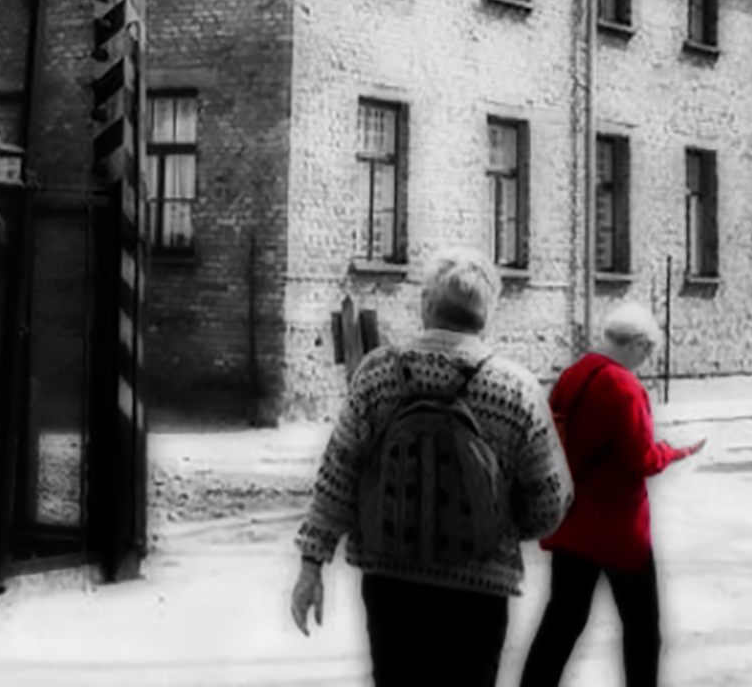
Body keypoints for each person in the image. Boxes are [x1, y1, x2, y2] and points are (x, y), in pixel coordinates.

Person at [290, 252, 573, 686]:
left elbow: (338, 474)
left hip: (390, 574)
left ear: (425, 306)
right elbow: (550, 501)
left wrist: (312, 564)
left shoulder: (378, 374)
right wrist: (498, 524)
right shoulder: (516, 389)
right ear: (487, 315)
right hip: (480, 583)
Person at [518, 302, 705, 687]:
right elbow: (640, 459)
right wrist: (674, 451)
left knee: (562, 621)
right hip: (617, 529)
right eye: (648, 350)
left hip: (571, 519)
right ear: (636, 344)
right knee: (641, 626)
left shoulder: (573, 374)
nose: (648, 359)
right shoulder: (625, 387)